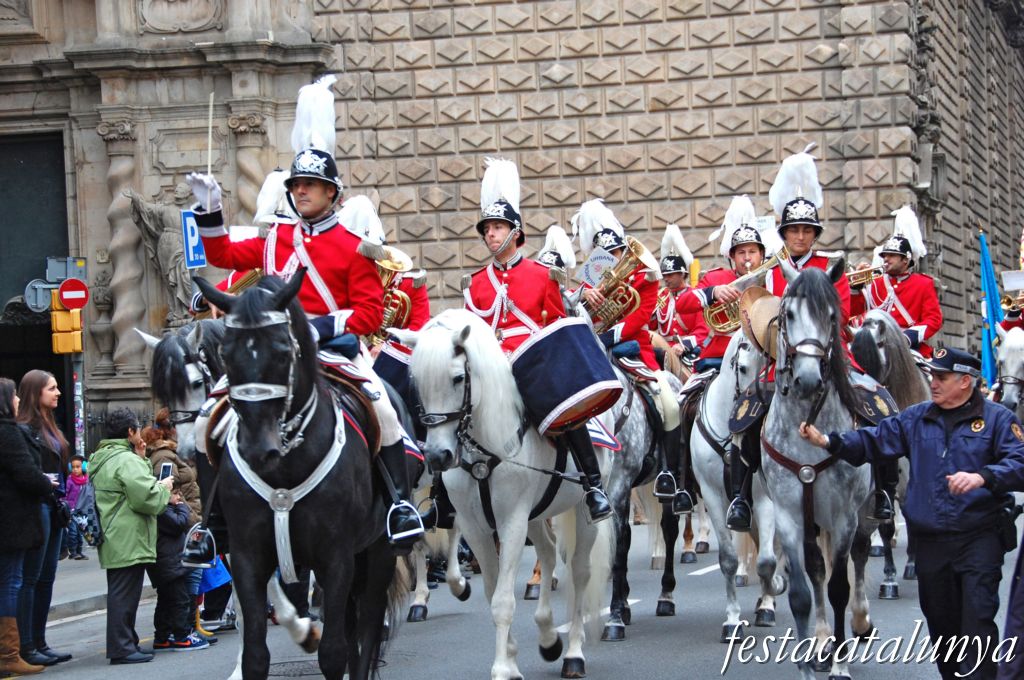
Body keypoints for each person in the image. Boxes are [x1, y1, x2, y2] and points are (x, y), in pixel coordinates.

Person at [187, 146, 424, 550]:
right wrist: (209, 212)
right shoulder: (275, 239)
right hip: (273, 353)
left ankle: (399, 507)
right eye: (296, 185)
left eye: (310, 185)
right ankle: (210, 525)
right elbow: (222, 254)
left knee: (384, 409)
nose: (301, 192)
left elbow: (368, 314)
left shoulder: (355, 246)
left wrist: (314, 330)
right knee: (205, 419)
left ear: (331, 192)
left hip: (332, 350)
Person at [799, 348, 1024, 680]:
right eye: (932, 376)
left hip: (979, 538)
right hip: (930, 544)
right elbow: (873, 440)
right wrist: (830, 442)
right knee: (942, 628)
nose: (933, 383)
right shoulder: (917, 417)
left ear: (965, 382)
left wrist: (984, 477)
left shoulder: (998, 420)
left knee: (978, 622)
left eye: (942, 377)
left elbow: (1018, 464)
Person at [465, 161, 614, 522]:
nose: (491, 235)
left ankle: (593, 486)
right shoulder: (476, 283)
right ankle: (445, 496)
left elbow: (558, 328)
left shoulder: (541, 275)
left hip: (532, 363)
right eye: (487, 229)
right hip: (491, 364)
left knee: (564, 404)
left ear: (516, 233)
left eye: (498, 228)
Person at [573, 199, 690, 514]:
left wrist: (611, 335)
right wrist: (583, 297)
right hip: (596, 359)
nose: (612, 262)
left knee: (668, 403)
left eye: (616, 255)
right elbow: (572, 312)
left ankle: (668, 473)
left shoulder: (644, 277)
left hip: (634, 354)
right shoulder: (589, 281)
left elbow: (641, 316)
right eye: (605, 257)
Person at [673, 196, 774, 530]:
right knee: (680, 406)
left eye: (753, 252)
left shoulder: (771, 280)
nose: (748, 259)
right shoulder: (716, 278)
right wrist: (712, 294)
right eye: (741, 252)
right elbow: (684, 304)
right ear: (732, 257)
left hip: (761, 362)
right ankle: (681, 482)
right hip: (716, 360)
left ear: (762, 255)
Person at [90, 408, 174, 665]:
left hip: (117, 534)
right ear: (130, 432)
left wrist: (141, 459)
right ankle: (122, 648)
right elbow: (146, 498)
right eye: (137, 429)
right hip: (128, 534)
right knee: (124, 595)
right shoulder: (125, 461)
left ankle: (127, 642)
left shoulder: (107, 456)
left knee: (122, 592)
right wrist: (164, 489)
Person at [0, 377, 57, 677]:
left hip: (12, 520)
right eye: (13, 397)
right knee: (13, 583)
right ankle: (10, 653)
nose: (18, 401)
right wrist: (45, 482)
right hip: (13, 523)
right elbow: (27, 474)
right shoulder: (8, 433)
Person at [15, 369, 72, 666]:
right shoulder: (25, 427)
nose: (58, 393)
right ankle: (26, 644)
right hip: (39, 507)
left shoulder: (50, 425)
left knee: (46, 578)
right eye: (52, 388)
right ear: (36, 393)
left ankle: (40, 640)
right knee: (31, 578)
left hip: (54, 507)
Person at [850, 205, 942, 357]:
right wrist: (855, 289)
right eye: (885, 255)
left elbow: (933, 319)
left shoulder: (923, 283)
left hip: (909, 346)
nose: (886, 259)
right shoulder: (875, 282)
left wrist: (910, 336)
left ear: (905, 260)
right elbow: (852, 313)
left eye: (892, 255)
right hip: (874, 344)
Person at [151, 490, 207, 652]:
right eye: (174, 494)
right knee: (180, 600)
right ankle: (182, 636)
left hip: (167, 560)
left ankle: (162, 636)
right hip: (169, 560)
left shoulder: (162, 508)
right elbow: (179, 523)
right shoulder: (163, 509)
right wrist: (181, 506)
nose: (178, 497)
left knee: (166, 601)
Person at [651, 223, 706, 366]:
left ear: (682, 274)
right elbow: (652, 326)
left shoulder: (695, 295)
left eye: (671, 274)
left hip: (688, 351)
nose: (666, 278)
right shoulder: (660, 296)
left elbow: (702, 330)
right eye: (665, 275)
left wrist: (684, 345)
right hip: (662, 351)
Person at [64, 455, 89, 560]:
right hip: (72, 510)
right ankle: (72, 552)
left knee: (80, 533)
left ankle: (79, 551)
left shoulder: (86, 480)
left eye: (78, 467)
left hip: (82, 511)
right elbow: (64, 494)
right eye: (73, 467)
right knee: (73, 532)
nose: (75, 469)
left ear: (83, 467)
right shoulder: (70, 480)